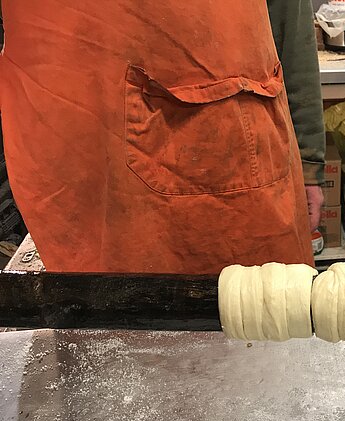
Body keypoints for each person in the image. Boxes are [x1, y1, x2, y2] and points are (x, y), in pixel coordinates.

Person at [0, 0, 325, 274]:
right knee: (98, 322)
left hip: (225, 146)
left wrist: (310, 156)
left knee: (258, 323)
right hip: (68, 151)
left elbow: (288, 12)